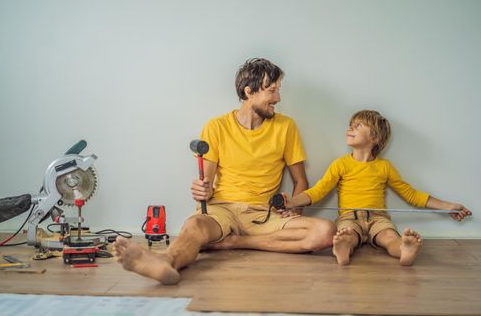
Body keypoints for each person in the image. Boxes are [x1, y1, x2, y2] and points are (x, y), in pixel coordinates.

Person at [113, 58, 335, 284]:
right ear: (249, 92)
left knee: (326, 231)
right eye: (272, 91)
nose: (277, 98)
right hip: (222, 210)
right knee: (194, 225)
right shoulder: (216, 127)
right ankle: (164, 262)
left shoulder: (286, 126)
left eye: (278, 90)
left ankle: (233, 242)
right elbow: (206, 186)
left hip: (263, 214)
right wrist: (201, 190)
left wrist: (294, 210)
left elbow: (300, 181)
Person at [282, 110, 472, 266]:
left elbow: (411, 194)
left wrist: (449, 206)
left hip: (378, 218)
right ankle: (342, 249)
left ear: (374, 137)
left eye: (358, 125)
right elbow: (318, 191)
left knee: (390, 237)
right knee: (347, 235)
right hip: (350, 218)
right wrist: (291, 201)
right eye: (351, 124)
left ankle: (404, 249)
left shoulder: (384, 167)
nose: (351, 128)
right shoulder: (340, 164)